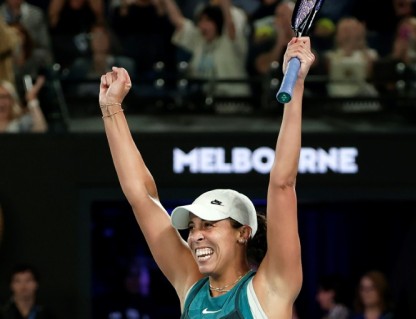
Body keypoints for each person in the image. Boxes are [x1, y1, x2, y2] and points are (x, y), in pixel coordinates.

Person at [98, 36, 315, 318]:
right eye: (193, 226)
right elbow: (142, 197)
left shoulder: (271, 288)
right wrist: (111, 108)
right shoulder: (192, 289)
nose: (196, 236)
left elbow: (283, 184)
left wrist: (295, 85)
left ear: (243, 233)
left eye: (209, 225)